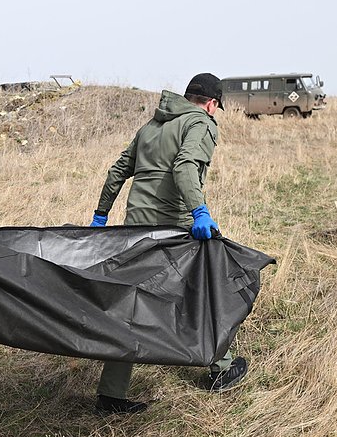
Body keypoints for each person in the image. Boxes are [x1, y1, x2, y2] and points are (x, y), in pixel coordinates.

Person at [89, 72, 249, 414]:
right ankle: (221, 368)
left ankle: (111, 393)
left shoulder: (151, 126)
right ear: (211, 104)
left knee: (131, 303)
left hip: (134, 227)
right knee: (203, 288)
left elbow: (118, 170)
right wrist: (199, 212)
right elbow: (185, 167)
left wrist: (101, 215)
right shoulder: (201, 124)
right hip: (172, 226)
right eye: (216, 108)